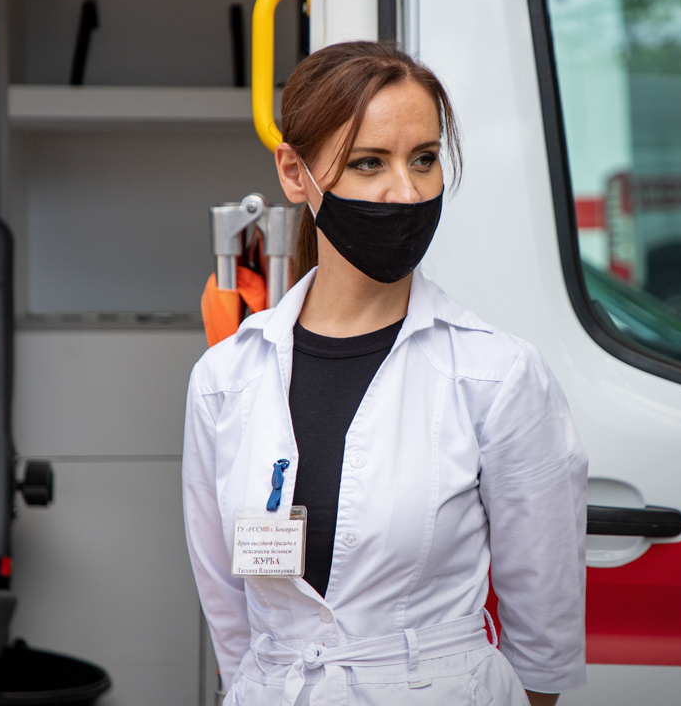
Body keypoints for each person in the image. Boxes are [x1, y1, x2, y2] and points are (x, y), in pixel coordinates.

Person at [182, 41, 588, 706]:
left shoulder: (497, 376)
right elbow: (232, 622)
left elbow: (544, 646)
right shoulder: (225, 380)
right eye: (369, 163)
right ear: (294, 173)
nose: (406, 192)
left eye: (423, 159)